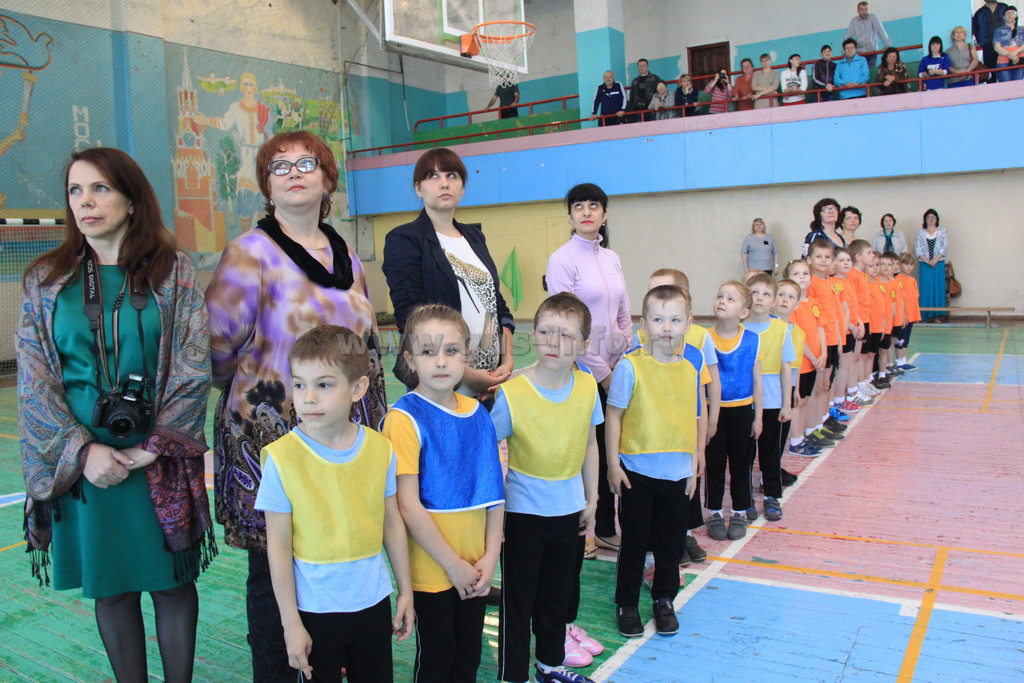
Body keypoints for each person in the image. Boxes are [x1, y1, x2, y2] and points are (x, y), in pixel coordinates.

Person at [19, 146, 214, 682]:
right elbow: (34, 381)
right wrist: (83, 452)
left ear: (131, 200)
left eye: (100, 188)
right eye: (75, 191)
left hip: (157, 458)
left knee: (172, 583)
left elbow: (193, 365)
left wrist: (153, 446)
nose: (85, 201)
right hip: (86, 465)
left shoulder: (172, 272)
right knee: (112, 589)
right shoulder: (46, 280)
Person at [206, 130, 386, 681]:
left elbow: (367, 344)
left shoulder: (347, 255)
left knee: (335, 551)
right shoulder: (250, 252)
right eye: (279, 167)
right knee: (274, 568)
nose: (294, 173)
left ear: (328, 180)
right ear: (266, 186)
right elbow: (216, 349)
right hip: (273, 440)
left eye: (307, 164)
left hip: (342, 441)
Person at [257, 326, 414, 682]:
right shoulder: (281, 459)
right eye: (299, 385)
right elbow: (278, 547)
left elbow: (392, 523)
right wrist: (291, 624)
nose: (308, 398)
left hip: (373, 603)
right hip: (314, 611)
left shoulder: (380, 449)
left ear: (357, 388)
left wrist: (405, 589)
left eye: (324, 385)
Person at [382, 304, 505, 683]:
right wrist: (452, 564)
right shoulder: (403, 419)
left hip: (477, 566)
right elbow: (407, 505)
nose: (440, 361)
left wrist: (491, 557)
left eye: (451, 351)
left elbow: (494, 495)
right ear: (409, 360)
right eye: (427, 351)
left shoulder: (478, 414)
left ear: (467, 356)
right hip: (433, 570)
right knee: (437, 658)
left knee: (468, 657)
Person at [491, 293, 601, 683]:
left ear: (584, 345)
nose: (554, 342)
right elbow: (488, 451)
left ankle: (551, 665)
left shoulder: (587, 387)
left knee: (557, 596)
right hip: (523, 515)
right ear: (533, 334)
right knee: (518, 602)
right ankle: (513, 674)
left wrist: (592, 497)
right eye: (546, 332)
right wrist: (494, 514)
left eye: (567, 335)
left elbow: (590, 443)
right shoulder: (513, 393)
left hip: (568, 512)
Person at [606, 285, 706, 637]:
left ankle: (664, 599)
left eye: (675, 320)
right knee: (634, 544)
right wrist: (613, 464)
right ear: (644, 324)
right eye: (659, 319)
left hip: (677, 475)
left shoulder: (690, 369)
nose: (667, 327)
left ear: (688, 323)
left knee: (671, 544)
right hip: (636, 474)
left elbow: (690, 420)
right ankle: (627, 603)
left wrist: (693, 464)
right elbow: (614, 416)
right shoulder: (630, 367)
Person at [382, 147, 514, 396]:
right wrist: (467, 375)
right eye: (432, 176)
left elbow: (497, 305)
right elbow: (411, 318)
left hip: (490, 382)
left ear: (462, 188)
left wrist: (506, 362)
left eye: (452, 175)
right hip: (440, 384)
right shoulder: (405, 239)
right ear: (418, 188)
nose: (444, 183)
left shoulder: (475, 237)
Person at [546, 183, 632, 553]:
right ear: (569, 216)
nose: (586, 212)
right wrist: (603, 373)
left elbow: (623, 312)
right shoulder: (561, 260)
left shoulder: (611, 257)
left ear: (604, 214)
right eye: (578, 206)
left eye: (593, 205)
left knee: (611, 449)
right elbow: (566, 323)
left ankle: (607, 528)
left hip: (615, 368)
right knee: (583, 453)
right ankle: (582, 532)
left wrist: (623, 356)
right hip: (581, 371)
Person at [643, 269, 719, 565]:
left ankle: (683, 536)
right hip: (652, 443)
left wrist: (702, 441)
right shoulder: (640, 345)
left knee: (687, 487)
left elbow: (701, 399)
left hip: (683, 440)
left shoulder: (696, 346)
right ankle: (655, 549)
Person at [705, 280, 762, 542]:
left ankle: (739, 511)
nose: (722, 301)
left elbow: (757, 381)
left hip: (742, 410)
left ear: (744, 312)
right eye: (720, 296)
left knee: (741, 464)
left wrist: (758, 417)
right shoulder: (705, 338)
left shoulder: (752, 340)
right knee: (714, 464)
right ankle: (715, 512)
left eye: (730, 299)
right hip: (713, 412)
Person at [742, 273, 793, 522]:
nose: (759, 298)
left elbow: (786, 368)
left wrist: (787, 403)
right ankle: (745, 499)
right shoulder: (739, 328)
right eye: (754, 292)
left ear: (773, 300)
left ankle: (772, 495)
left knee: (770, 453)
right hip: (744, 401)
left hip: (772, 402)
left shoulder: (782, 329)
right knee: (744, 454)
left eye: (766, 294)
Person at [778, 262, 826, 457]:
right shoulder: (793, 308)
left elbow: (820, 329)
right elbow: (798, 339)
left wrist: (823, 354)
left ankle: (802, 435)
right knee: (797, 403)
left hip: (813, 363)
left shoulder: (812, 302)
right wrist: (813, 357)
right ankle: (795, 441)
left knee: (804, 401)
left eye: (806, 273)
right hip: (801, 365)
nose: (802, 277)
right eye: (796, 274)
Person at [805, 239, 848, 450]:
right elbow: (812, 318)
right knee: (816, 388)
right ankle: (810, 428)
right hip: (819, 343)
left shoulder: (830, 282)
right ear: (809, 259)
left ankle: (821, 423)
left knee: (825, 386)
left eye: (827, 257)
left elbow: (835, 314)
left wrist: (839, 340)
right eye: (819, 256)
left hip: (832, 340)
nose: (823, 261)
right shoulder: (810, 283)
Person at [848, 240, 884, 399]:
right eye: (869, 252)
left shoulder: (863, 275)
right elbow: (851, 301)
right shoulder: (852, 275)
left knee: (861, 355)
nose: (872, 255)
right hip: (858, 320)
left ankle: (862, 382)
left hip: (865, 318)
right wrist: (857, 322)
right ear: (859, 256)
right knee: (856, 356)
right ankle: (854, 387)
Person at [915, 208, 948, 321]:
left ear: (937, 219)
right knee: (926, 288)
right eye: (929, 217)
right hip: (925, 265)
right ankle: (925, 315)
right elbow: (918, 249)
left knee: (938, 288)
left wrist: (935, 260)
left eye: (933, 217)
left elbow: (945, 247)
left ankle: (938, 316)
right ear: (925, 219)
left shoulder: (942, 231)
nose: (931, 219)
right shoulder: (920, 232)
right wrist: (927, 261)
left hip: (938, 264)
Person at [893, 253, 922, 371]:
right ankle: (899, 361)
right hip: (903, 316)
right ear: (900, 265)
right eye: (906, 264)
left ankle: (904, 360)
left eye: (911, 265)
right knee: (900, 338)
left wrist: (916, 315)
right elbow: (900, 299)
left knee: (906, 338)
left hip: (911, 315)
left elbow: (915, 298)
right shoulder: (898, 279)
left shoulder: (912, 280)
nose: (909, 267)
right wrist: (903, 314)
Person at [845, 1, 889, 68]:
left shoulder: (873, 18)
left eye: (866, 9)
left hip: (872, 52)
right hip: (859, 53)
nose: (864, 12)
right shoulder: (854, 21)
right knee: (860, 71)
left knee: (871, 71)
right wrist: (844, 51)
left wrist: (887, 45)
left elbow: (881, 31)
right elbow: (848, 35)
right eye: (862, 9)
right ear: (858, 10)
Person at [974, 1, 1009, 82]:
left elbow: (1013, 20)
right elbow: (975, 29)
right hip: (988, 46)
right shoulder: (980, 13)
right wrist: (982, 42)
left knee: (1005, 72)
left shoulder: (1003, 7)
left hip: (1005, 45)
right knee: (990, 73)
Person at [993, 6, 1024, 82]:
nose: (1009, 15)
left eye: (1012, 13)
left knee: (1018, 83)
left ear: (1016, 15)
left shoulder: (1022, 29)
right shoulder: (998, 30)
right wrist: (1009, 54)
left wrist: (1015, 52)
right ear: (1003, 17)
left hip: (1019, 58)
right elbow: (997, 47)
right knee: (1005, 84)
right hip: (1004, 59)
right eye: (1007, 13)